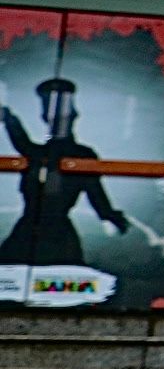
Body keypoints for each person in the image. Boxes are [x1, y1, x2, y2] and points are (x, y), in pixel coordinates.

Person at [1, 78, 129, 269]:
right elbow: (23, 142)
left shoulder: (80, 155)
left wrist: (110, 216)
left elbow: (96, 194)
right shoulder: (38, 154)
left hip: (55, 237)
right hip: (30, 233)